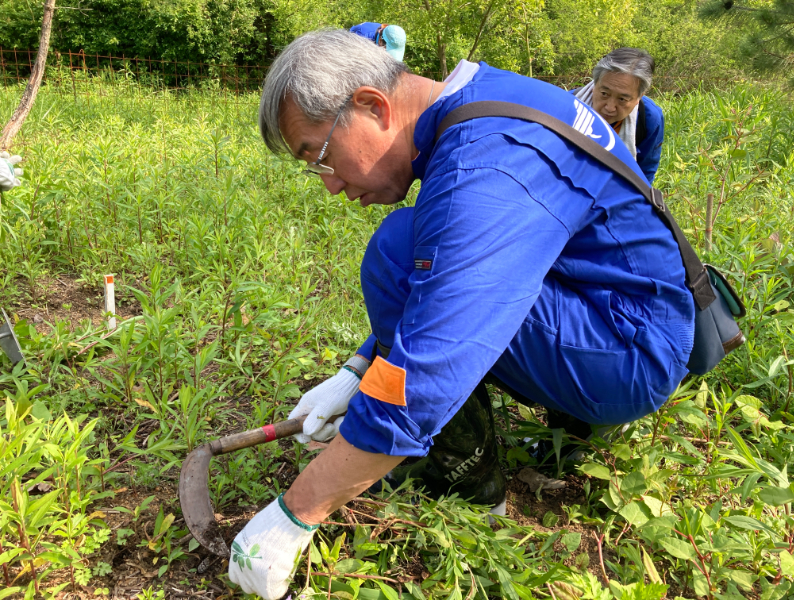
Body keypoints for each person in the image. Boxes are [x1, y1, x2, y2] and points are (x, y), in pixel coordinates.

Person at [228, 29, 694, 599]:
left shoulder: (487, 165)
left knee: (399, 252)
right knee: (412, 246)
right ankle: (559, 428)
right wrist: (357, 372)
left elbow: (430, 366)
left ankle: (470, 485)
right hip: (615, 307)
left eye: (319, 156)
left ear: (373, 105)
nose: (328, 185)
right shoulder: (481, 98)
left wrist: (296, 514)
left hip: (630, 351)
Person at [573, 48, 664, 184]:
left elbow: (645, 173)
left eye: (622, 99)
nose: (610, 107)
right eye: (604, 93)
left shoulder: (649, 119)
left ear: (640, 96)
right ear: (595, 84)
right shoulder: (569, 105)